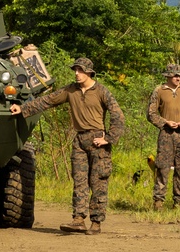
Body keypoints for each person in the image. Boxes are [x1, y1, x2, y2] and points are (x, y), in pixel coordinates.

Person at [10, 57, 125, 235]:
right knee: (79, 181)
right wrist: (23, 109)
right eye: (75, 70)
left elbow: (118, 116)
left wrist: (108, 138)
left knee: (98, 182)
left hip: (98, 141)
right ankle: (78, 219)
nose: (77, 74)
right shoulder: (70, 90)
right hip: (79, 140)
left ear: (89, 73)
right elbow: (47, 100)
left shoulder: (102, 91)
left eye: (80, 70)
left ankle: (96, 222)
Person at [146, 63, 180, 210]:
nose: (178, 78)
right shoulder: (159, 91)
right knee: (162, 168)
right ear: (168, 76)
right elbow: (151, 114)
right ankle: (158, 201)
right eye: (175, 75)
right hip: (166, 135)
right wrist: (165, 122)